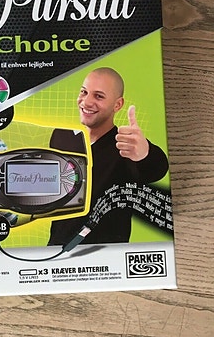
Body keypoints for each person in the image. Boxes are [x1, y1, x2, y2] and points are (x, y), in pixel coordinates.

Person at [48, 67, 169, 245]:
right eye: (84, 92)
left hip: (107, 253)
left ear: (117, 105)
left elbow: (156, 169)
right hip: (56, 248)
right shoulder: (61, 137)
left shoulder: (126, 146)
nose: (86, 102)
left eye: (99, 96)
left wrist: (145, 153)